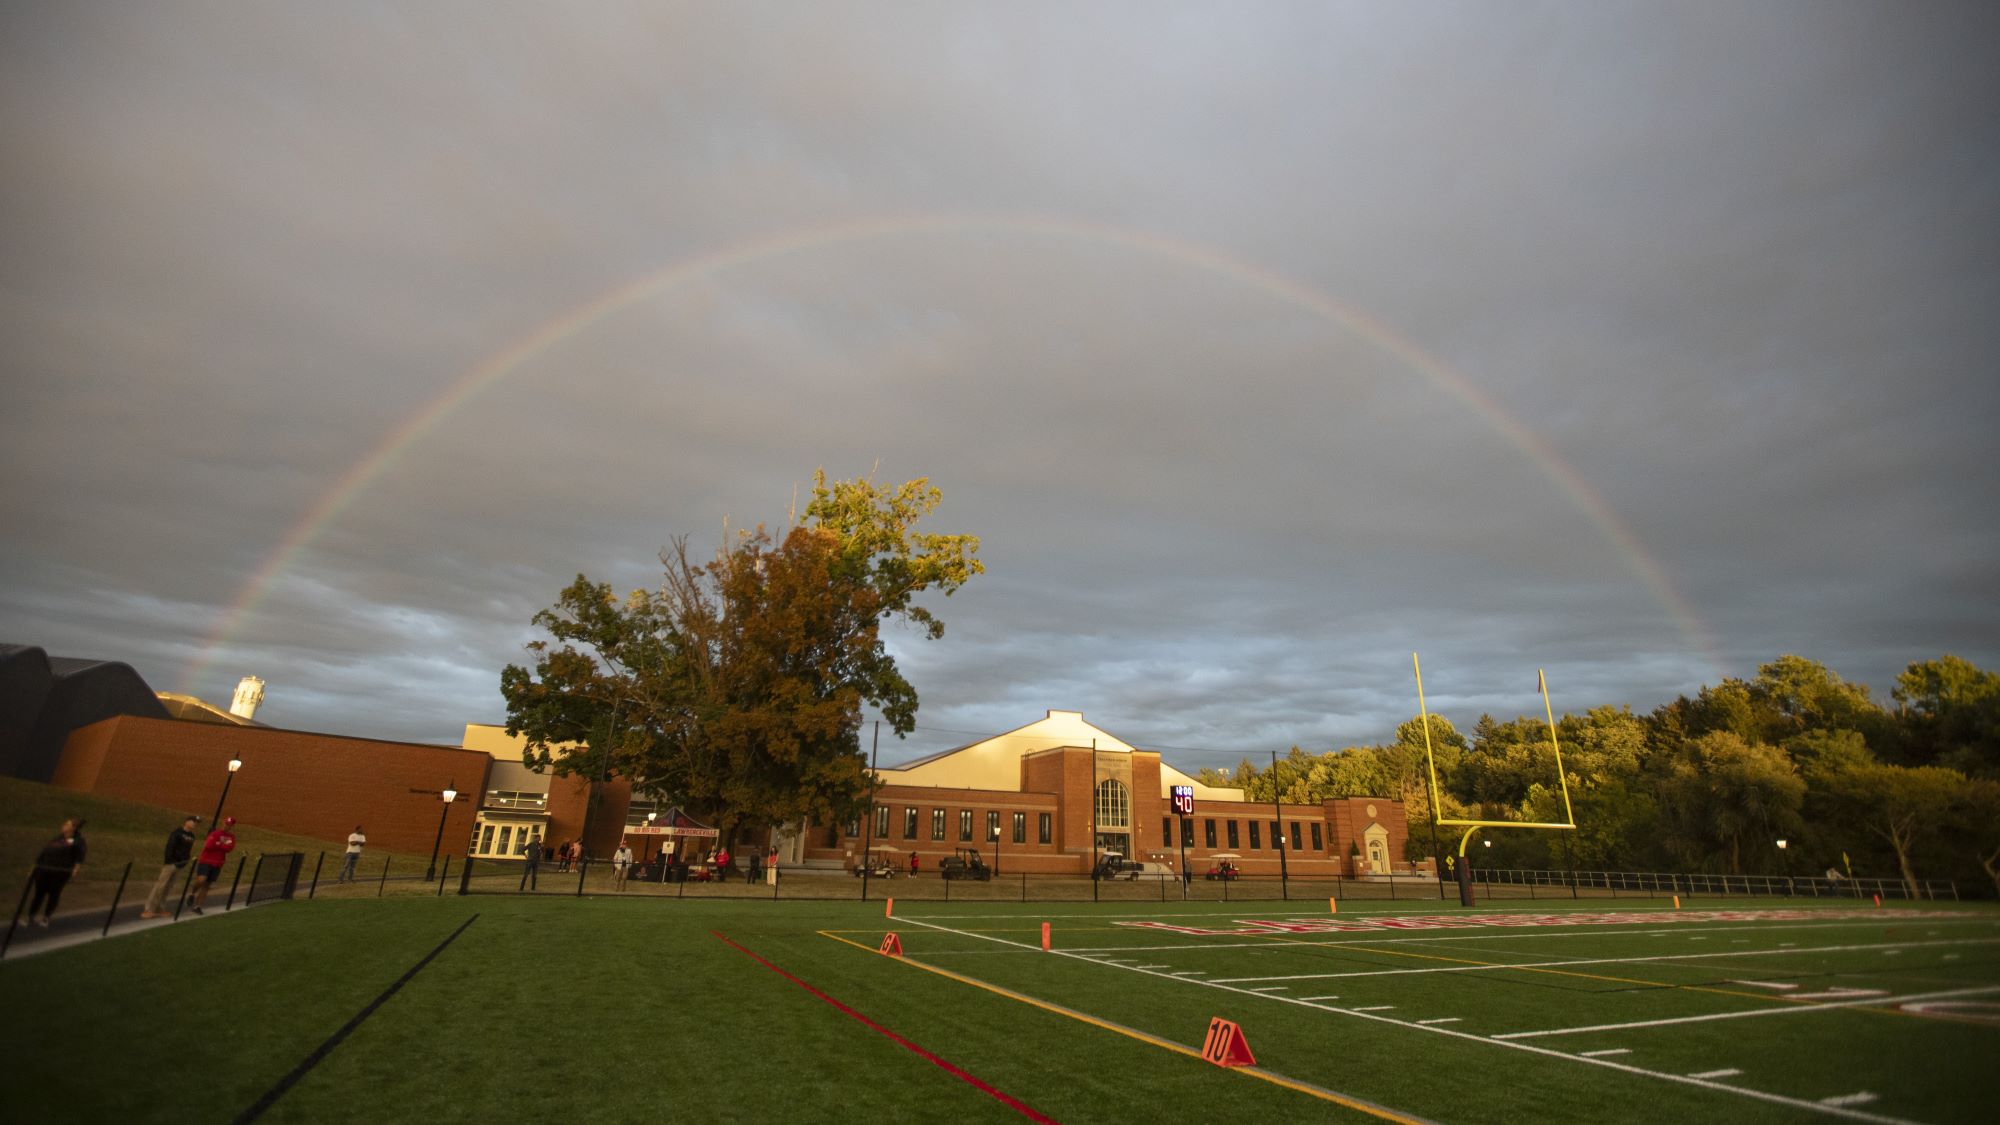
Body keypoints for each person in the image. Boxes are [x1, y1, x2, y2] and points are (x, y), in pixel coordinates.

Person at [27, 817, 87, 927]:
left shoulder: (78, 841)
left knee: (53, 895)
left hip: (60, 873)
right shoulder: (57, 838)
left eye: (66, 824)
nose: (63, 825)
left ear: (73, 828)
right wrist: (34, 868)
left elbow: (79, 858)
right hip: (44, 870)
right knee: (39, 894)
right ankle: (31, 916)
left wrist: (74, 872)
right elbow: (44, 852)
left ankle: (46, 918)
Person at [142, 815, 199, 918]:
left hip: (180, 865)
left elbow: (187, 851)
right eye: (193, 821)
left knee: (168, 887)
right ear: (186, 822)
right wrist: (170, 861)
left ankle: (160, 908)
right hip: (171, 864)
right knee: (160, 886)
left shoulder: (192, 836)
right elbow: (170, 847)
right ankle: (149, 909)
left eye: (196, 822)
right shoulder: (177, 833)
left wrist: (184, 862)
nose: (194, 823)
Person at [186, 816, 237, 915]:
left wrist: (218, 843)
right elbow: (209, 845)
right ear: (223, 823)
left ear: (232, 826)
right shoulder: (215, 833)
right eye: (226, 823)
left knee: (207, 885)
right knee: (201, 880)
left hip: (218, 863)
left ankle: (198, 906)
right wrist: (223, 844)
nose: (227, 826)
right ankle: (192, 893)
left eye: (229, 825)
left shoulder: (231, 837)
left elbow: (229, 848)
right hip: (206, 860)